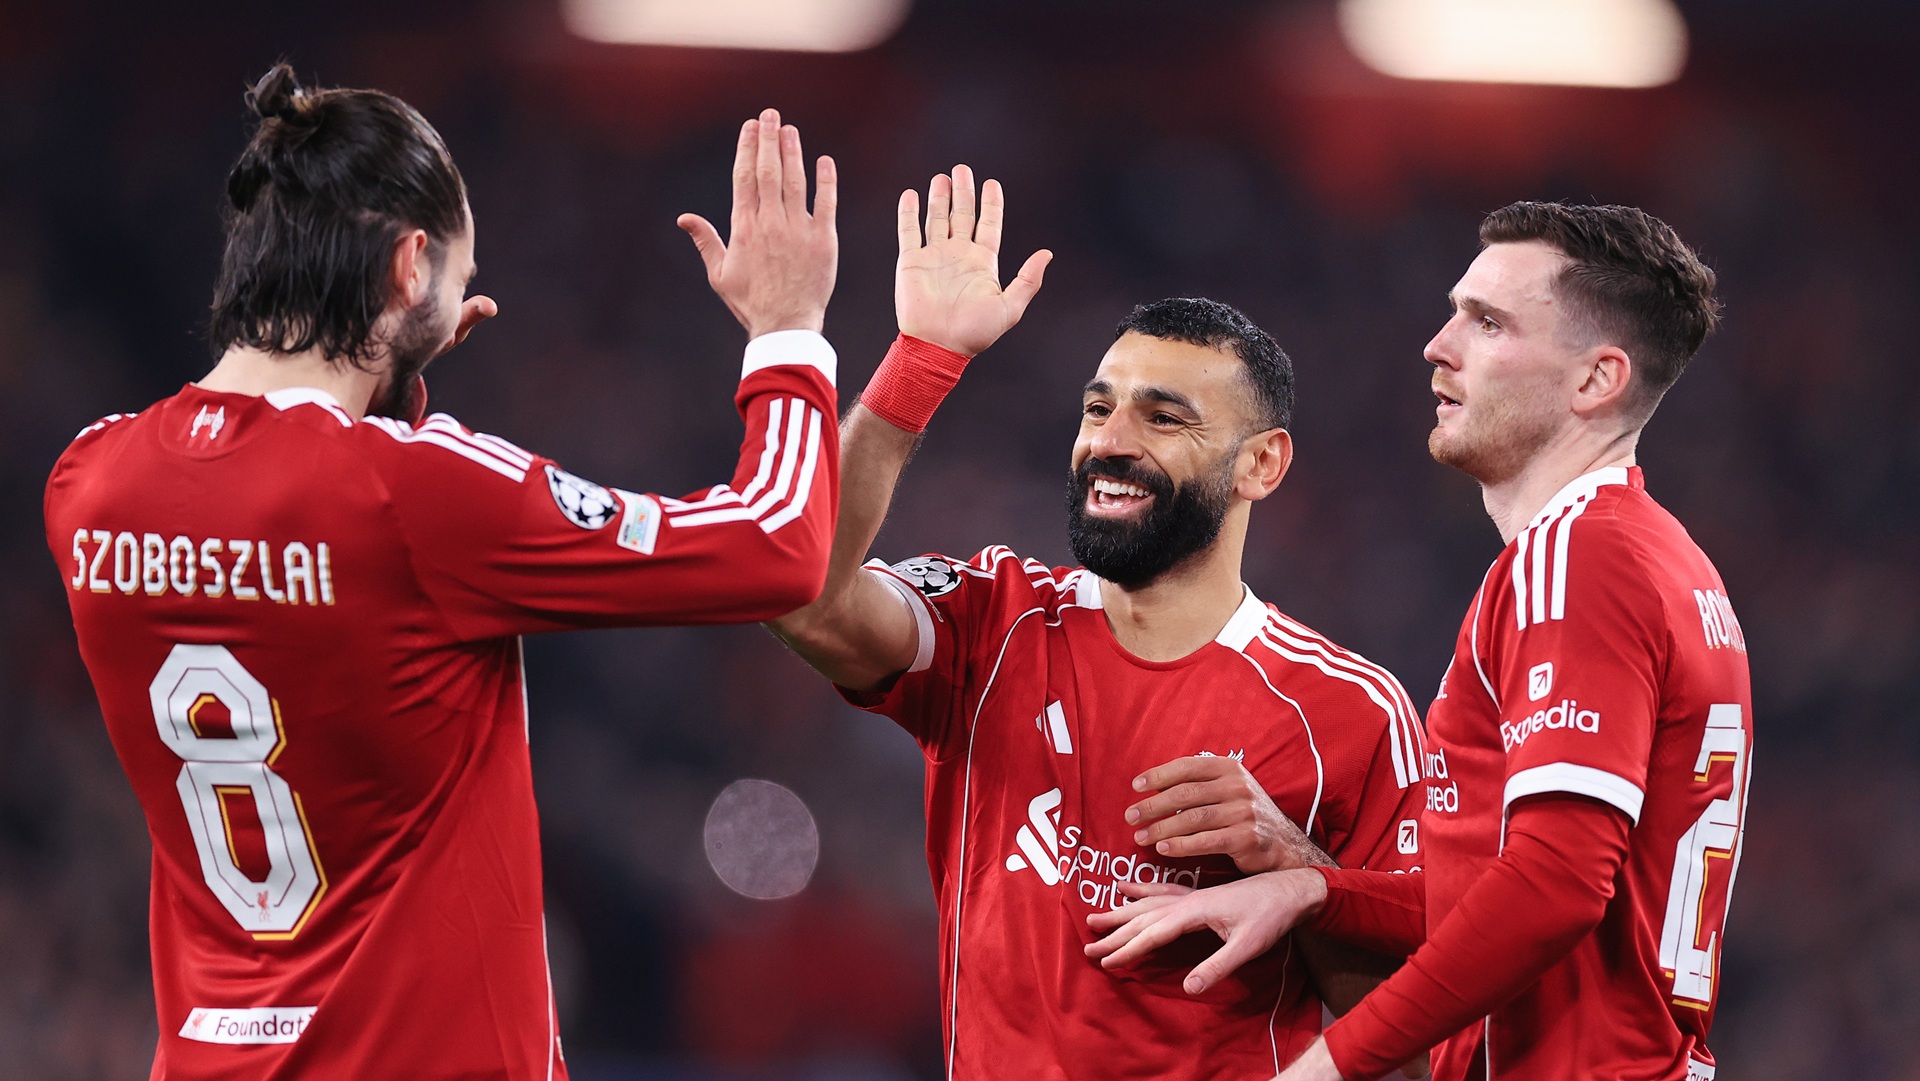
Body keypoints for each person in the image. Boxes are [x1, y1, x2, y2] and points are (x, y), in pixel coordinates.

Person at [43, 65, 840, 1080]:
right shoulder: (413, 490)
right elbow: (777, 542)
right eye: (459, 278)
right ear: (412, 266)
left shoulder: (87, 480)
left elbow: (287, 544)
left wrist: (389, 377)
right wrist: (788, 333)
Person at [768, 165, 1428, 1079]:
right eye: (1098, 407)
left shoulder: (1351, 711)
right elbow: (802, 591)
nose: (1111, 441)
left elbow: (1417, 1034)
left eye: (1164, 418)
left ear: (1261, 465)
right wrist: (921, 359)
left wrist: (1297, 865)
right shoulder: (994, 620)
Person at [1087, 202, 1751, 1081]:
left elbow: (1555, 887)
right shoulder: (1666, 560)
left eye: (1487, 322)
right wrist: (1313, 884)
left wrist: (1328, 1064)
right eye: (1455, 311)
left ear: (1596, 381)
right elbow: (1504, 894)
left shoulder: (1578, 556)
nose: (1439, 345)